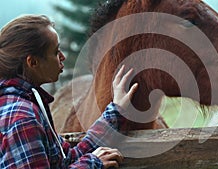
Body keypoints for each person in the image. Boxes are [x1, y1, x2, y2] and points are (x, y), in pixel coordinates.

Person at [0, 14, 138, 168]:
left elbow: (67, 158)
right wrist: (94, 163)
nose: (63, 57)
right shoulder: (23, 117)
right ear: (33, 62)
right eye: (55, 51)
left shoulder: (27, 103)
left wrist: (116, 111)